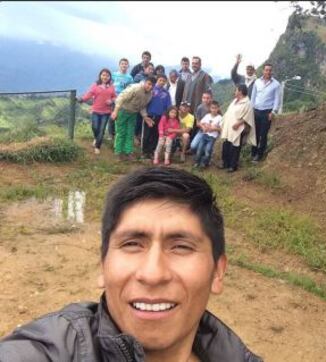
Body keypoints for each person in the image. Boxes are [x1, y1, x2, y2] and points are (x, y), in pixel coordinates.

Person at [0, 167, 263, 362]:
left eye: (181, 247)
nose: (152, 274)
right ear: (103, 265)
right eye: (132, 244)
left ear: (218, 271)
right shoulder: (54, 351)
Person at [110, 76, 156, 160]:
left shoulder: (149, 94)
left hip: (133, 114)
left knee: (130, 133)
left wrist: (145, 117)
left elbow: (142, 106)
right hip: (122, 111)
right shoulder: (135, 88)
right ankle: (118, 152)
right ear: (145, 82)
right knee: (121, 133)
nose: (150, 87)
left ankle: (128, 152)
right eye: (149, 84)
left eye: (152, 85)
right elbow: (121, 97)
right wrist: (115, 111)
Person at [77, 68, 116, 155]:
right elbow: (89, 94)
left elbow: (114, 97)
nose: (105, 77)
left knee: (101, 130)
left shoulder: (111, 86)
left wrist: (112, 101)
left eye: (107, 75)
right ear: (100, 76)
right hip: (96, 110)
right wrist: (82, 99)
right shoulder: (95, 85)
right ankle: (96, 138)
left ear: (109, 77)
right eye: (103, 75)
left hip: (106, 112)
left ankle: (98, 146)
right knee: (95, 127)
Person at [221, 84, 256, 172]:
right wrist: (222, 122)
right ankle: (225, 163)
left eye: (236, 90)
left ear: (240, 91)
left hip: (238, 128)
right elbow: (228, 112)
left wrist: (238, 123)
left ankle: (233, 166)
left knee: (235, 147)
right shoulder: (234, 101)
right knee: (226, 144)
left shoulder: (247, 103)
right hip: (229, 127)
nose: (235, 92)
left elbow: (247, 116)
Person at [250, 62, 280, 162]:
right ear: (263, 70)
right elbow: (253, 97)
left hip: (267, 112)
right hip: (256, 111)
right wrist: (251, 109)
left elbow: (277, 99)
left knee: (263, 134)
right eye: (266, 70)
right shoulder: (257, 82)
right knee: (255, 133)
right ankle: (253, 152)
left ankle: (259, 154)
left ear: (272, 71)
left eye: (270, 70)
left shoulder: (276, 84)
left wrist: (273, 112)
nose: (268, 72)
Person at [142, 74, 172, 159]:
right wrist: (145, 115)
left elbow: (168, 106)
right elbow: (144, 102)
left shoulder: (166, 93)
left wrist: (165, 117)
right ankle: (144, 152)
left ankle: (151, 151)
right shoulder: (151, 90)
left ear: (166, 82)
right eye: (160, 80)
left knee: (156, 135)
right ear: (157, 80)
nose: (162, 82)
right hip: (149, 116)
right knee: (147, 134)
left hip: (160, 117)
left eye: (164, 81)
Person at [109, 58, 134, 140]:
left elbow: (130, 89)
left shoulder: (129, 77)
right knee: (112, 116)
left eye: (126, 64)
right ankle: (110, 134)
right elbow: (109, 85)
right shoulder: (113, 75)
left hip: (123, 100)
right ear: (119, 65)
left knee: (120, 117)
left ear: (128, 66)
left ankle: (118, 134)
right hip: (113, 98)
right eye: (122, 63)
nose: (124, 65)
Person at [193, 100, 222, 169]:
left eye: (215, 108)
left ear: (218, 108)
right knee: (200, 148)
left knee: (208, 150)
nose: (214, 110)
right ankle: (197, 162)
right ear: (210, 108)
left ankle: (204, 163)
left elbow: (221, 129)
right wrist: (203, 127)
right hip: (204, 135)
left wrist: (213, 129)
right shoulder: (207, 116)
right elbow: (200, 123)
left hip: (212, 137)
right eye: (212, 108)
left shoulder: (220, 118)